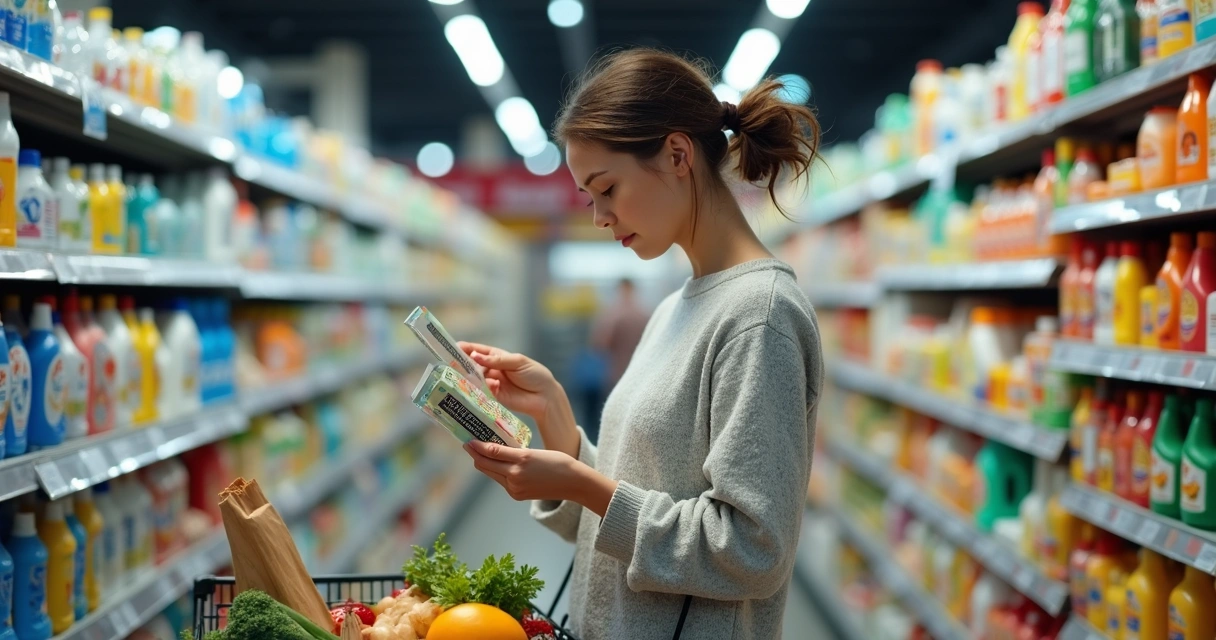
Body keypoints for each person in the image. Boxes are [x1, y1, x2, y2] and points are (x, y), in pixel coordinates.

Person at [458, 48, 823, 640]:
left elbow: (753, 551)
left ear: (677, 155)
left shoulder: (760, 316)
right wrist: (554, 414)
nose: (600, 216)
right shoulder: (675, 307)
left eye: (607, 188)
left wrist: (582, 484)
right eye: (588, 197)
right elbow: (642, 493)